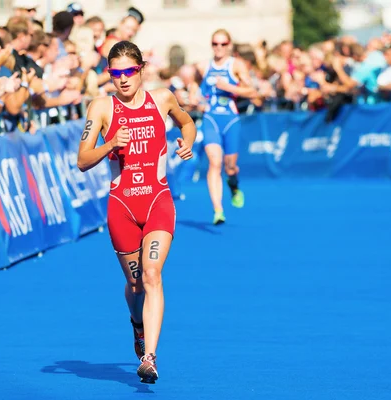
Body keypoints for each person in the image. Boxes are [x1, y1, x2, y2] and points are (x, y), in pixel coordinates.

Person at [77, 40, 196, 384]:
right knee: (134, 284)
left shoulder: (162, 98)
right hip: (123, 206)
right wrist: (110, 144)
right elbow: (82, 161)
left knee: (151, 275)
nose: (123, 79)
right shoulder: (101, 107)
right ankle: (137, 323)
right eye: (116, 73)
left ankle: (149, 358)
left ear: (141, 69)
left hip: (157, 199)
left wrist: (187, 142)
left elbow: (186, 122)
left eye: (129, 71)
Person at [196, 28, 257, 225]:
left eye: (223, 44)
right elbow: (195, 86)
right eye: (215, 44)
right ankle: (218, 210)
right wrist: (195, 97)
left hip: (230, 119)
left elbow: (252, 92)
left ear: (229, 45)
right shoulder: (203, 66)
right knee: (215, 163)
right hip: (211, 118)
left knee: (230, 166)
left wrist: (229, 87)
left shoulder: (236, 65)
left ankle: (234, 186)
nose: (219, 48)